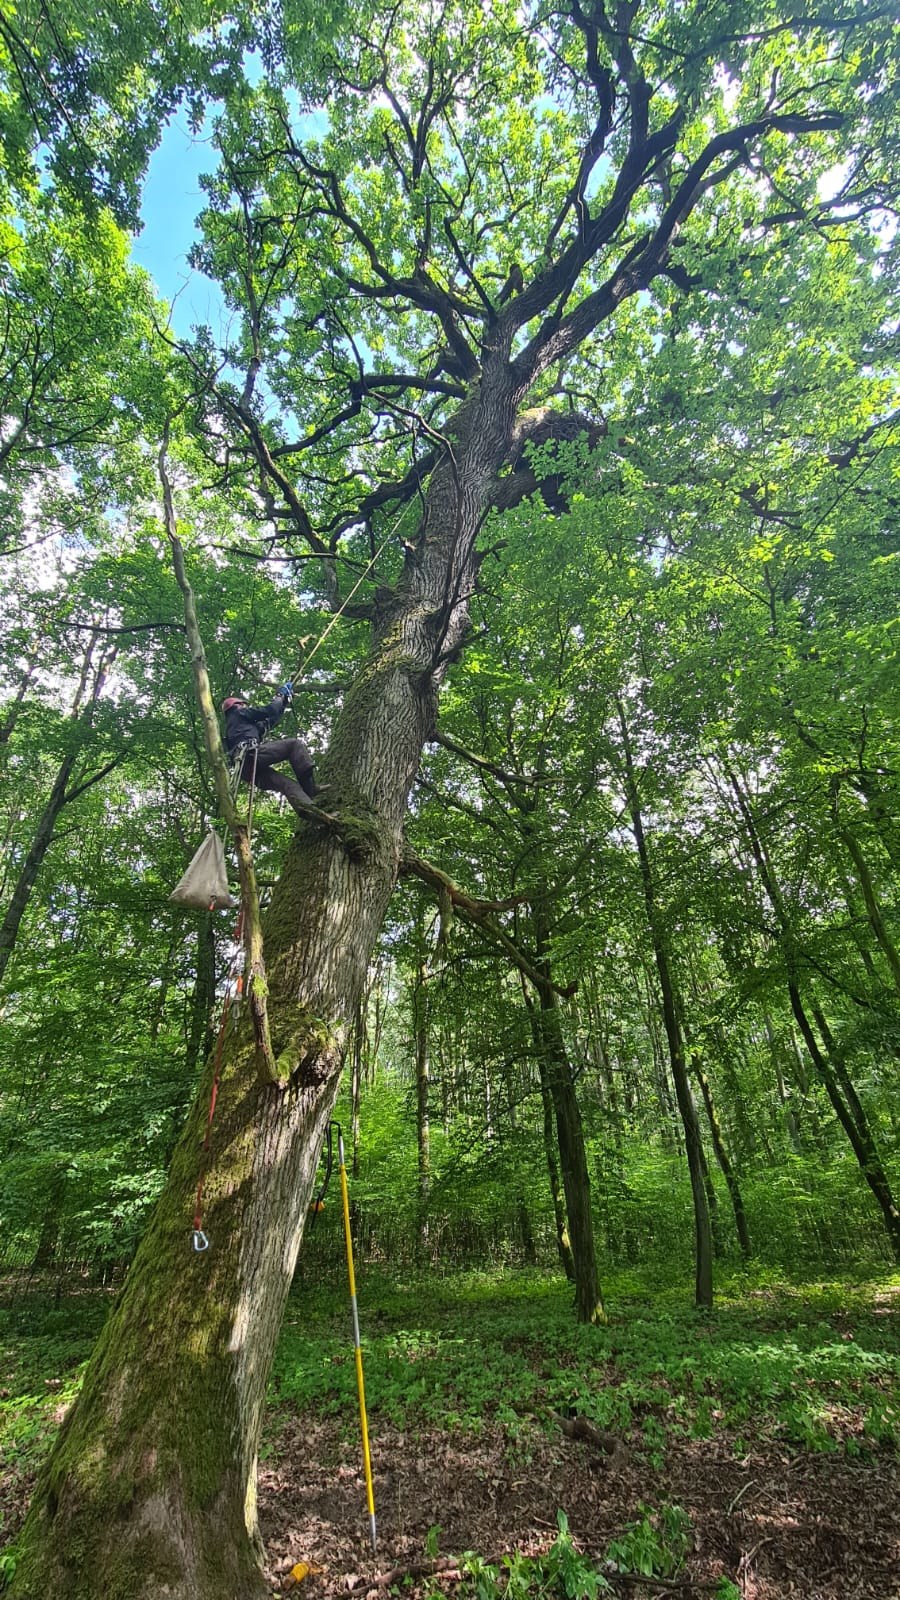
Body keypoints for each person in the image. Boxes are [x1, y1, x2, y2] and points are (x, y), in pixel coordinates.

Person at [221, 684, 321, 816]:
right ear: (237, 705)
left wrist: (283, 702)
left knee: (288, 785)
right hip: (251, 754)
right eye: (244, 705)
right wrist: (280, 696)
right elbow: (269, 710)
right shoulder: (239, 713)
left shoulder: (238, 726)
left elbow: (270, 721)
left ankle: (310, 811)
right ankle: (310, 788)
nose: (246, 707)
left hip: (247, 770)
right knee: (294, 745)